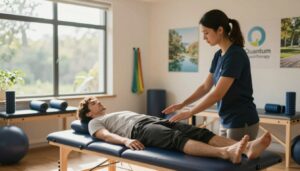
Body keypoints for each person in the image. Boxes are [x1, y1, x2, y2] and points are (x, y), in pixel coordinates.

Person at [77, 96, 271, 164]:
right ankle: (225, 154)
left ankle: (245, 148)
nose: (98, 102)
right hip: (139, 130)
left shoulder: (110, 114)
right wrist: (126, 141)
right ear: (89, 114)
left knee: (199, 132)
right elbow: (105, 136)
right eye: (93, 103)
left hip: (153, 120)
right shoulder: (94, 123)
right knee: (177, 139)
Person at [162, 9, 259, 141]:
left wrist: (190, 113)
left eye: (206, 33)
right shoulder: (218, 55)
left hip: (241, 120)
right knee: (224, 159)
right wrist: (182, 104)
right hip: (226, 119)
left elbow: (217, 94)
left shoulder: (235, 55)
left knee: (235, 159)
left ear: (220, 30)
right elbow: (205, 87)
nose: (204, 37)